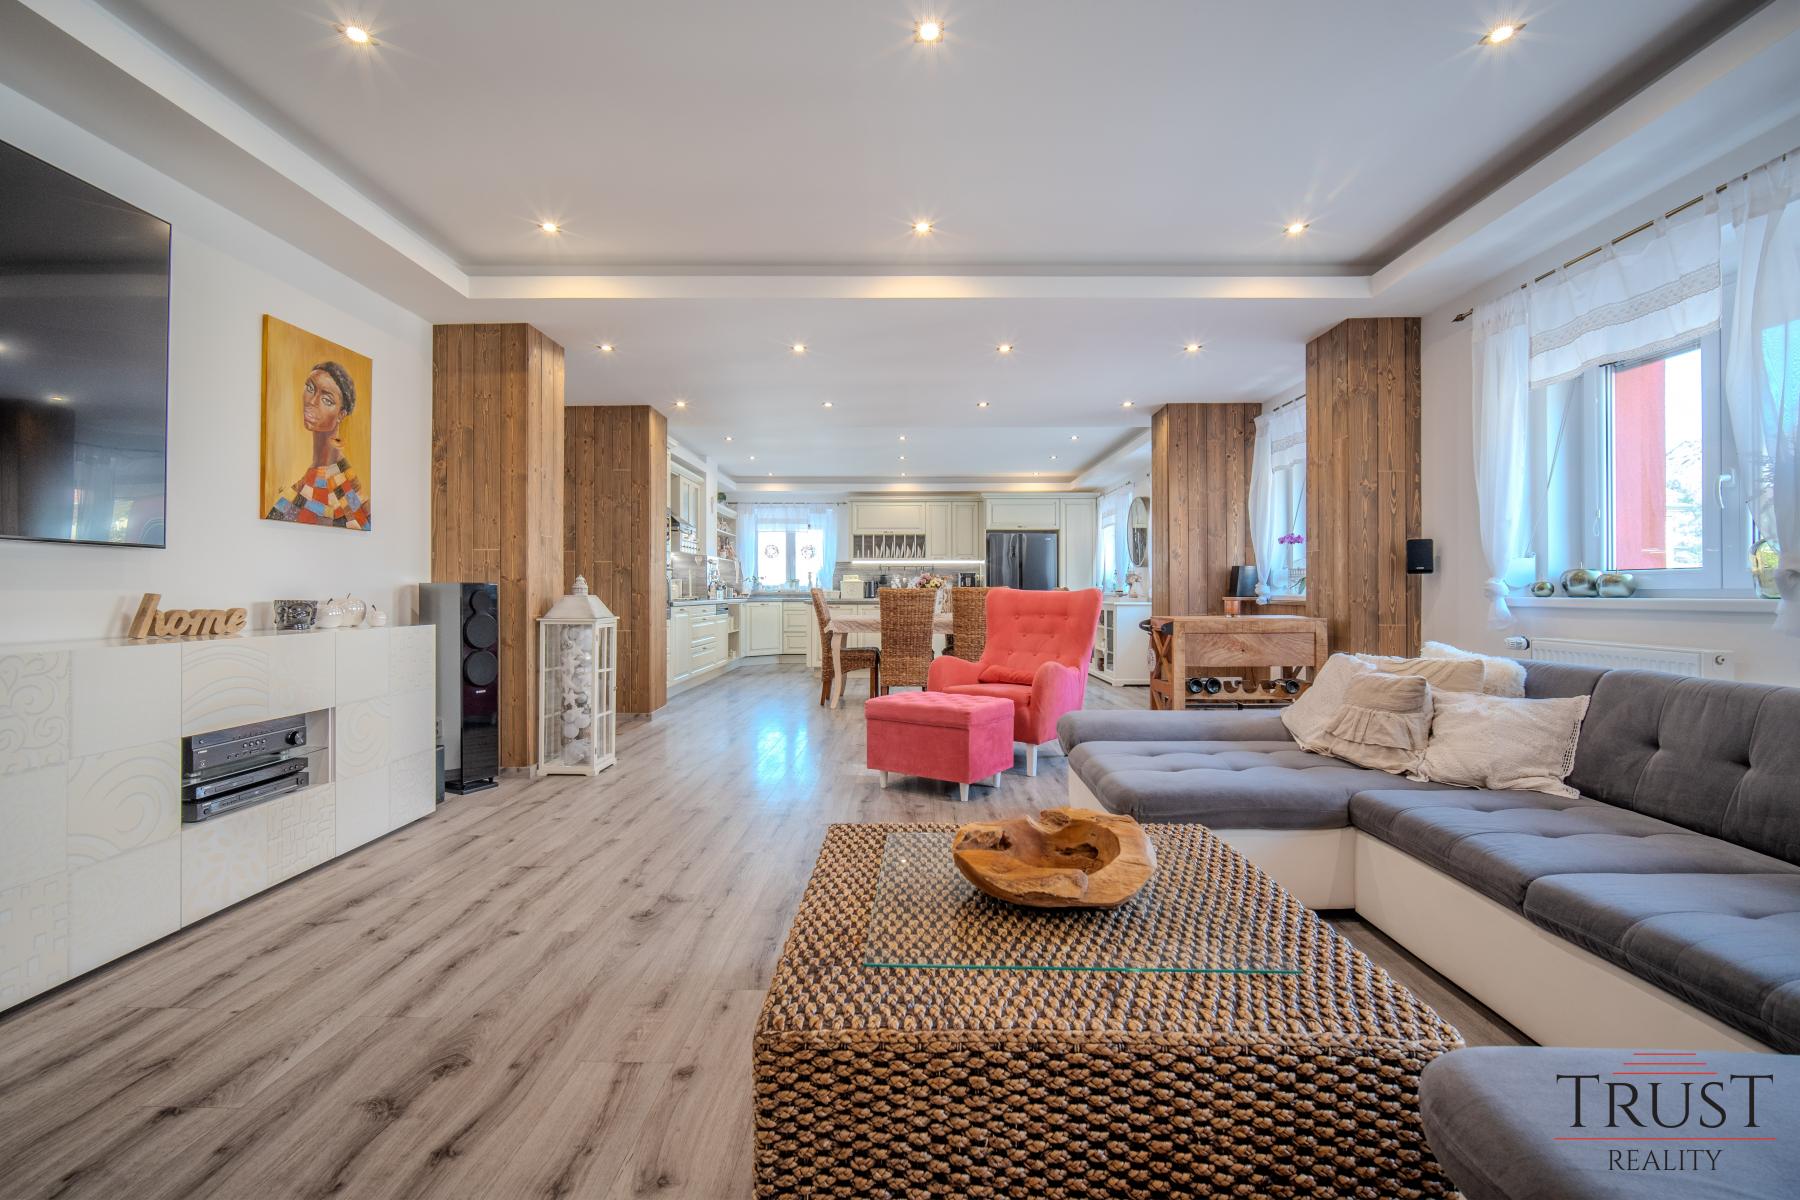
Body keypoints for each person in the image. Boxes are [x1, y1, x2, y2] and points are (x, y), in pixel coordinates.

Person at [266, 361, 370, 529]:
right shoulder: (304, 486)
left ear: (341, 414)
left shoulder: (346, 488)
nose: (312, 401)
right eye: (310, 388)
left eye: (327, 400)